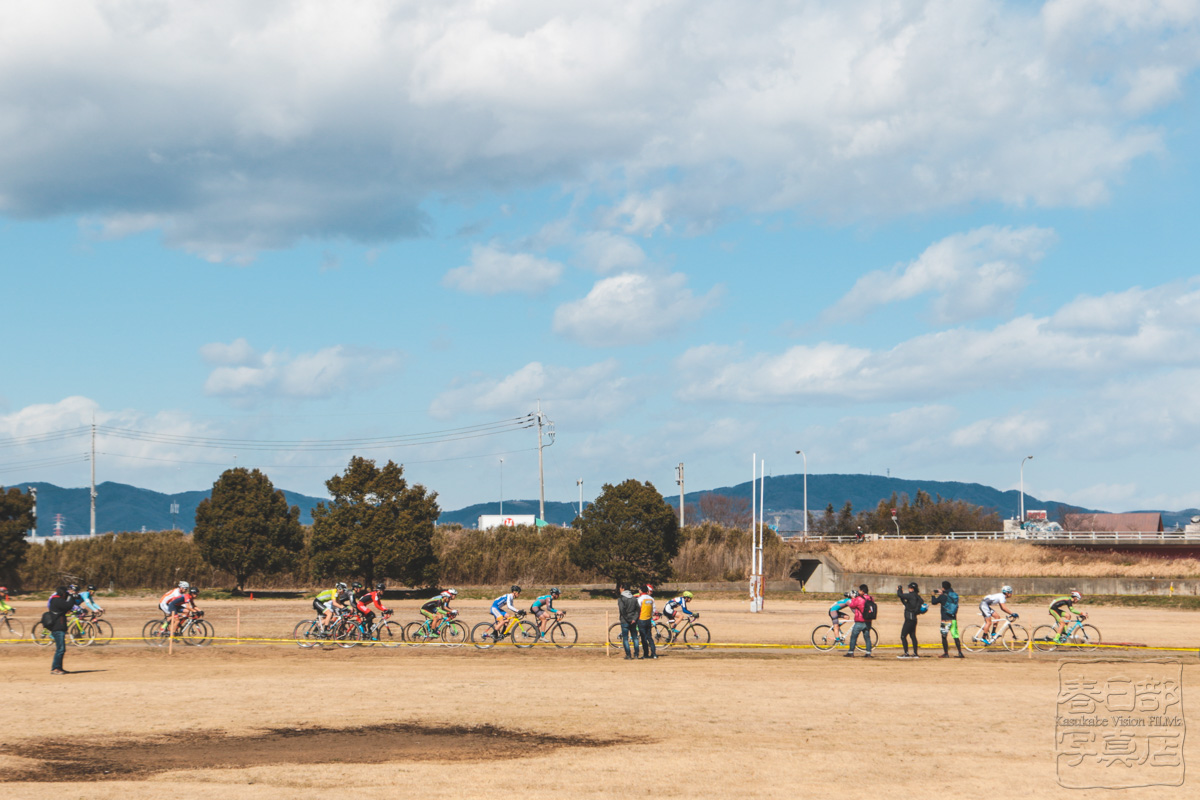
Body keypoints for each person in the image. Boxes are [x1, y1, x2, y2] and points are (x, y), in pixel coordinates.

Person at [930, 580, 964, 658]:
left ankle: (946, 653)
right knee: (955, 636)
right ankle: (960, 653)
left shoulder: (943, 596)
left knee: (944, 636)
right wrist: (942, 592)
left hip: (945, 619)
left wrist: (933, 595)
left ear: (943, 587)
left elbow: (934, 602)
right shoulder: (954, 595)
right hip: (953, 618)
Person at [47, 584, 74, 675]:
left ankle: (59, 667)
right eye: (65, 593)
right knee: (60, 649)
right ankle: (55, 669)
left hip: (58, 628)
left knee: (61, 649)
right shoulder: (57, 600)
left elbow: (67, 606)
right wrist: (71, 596)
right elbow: (68, 605)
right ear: (63, 593)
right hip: (57, 628)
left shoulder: (56, 600)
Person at [844, 584, 874, 658]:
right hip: (868, 621)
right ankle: (868, 653)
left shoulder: (859, 599)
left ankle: (851, 652)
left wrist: (853, 598)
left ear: (862, 591)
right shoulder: (871, 598)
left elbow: (852, 605)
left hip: (860, 621)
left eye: (859, 590)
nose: (858, 591)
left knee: (853, 636)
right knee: (867, 637)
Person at [896, 582, 924, 658]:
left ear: (912, 589)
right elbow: (906, 604)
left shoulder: (911, 596)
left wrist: (899, 589)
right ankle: (915, 653)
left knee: (903, 636)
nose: (908, 589)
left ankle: (906, 653)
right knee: (912, 636)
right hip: (914, 619)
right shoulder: (917, 597)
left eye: (909, 588)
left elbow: (900, 595)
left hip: (909, 619)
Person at [617, 584, 641, 659]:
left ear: (623, 589)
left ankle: (628, 655)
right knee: (635, 638)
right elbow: (638, 610)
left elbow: (622, 610)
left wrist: (628, 619)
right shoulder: (634, 598)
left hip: (625, 621)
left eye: (620, 588)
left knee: (625, 638)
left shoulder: (621, 598)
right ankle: (636, 654)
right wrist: (634, 619)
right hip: (633, 621)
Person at [636, 584, 657, 659]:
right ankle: (654, 654)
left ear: (641, 591)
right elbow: (653, 610)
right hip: (649, 620)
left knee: (643, 638)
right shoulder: (651, 599)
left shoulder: (640, 599)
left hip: (641, 619)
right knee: (649, 637)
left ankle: (645, 654)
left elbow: (637, 609)